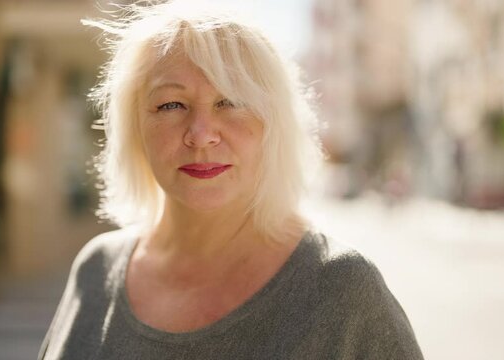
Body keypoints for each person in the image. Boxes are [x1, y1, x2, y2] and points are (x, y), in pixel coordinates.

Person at [39, 1, 424, 359]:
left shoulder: (342, 290)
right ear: (135, 125)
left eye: (232, 102)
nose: (202, 134)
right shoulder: (95, 270)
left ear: (274, 126)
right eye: (171, 104)